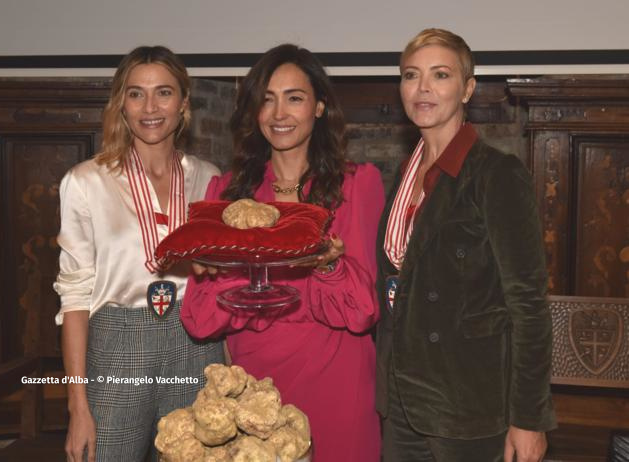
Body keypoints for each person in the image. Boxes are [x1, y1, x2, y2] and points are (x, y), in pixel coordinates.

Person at [180, 44, 383, 461]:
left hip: (338, 382)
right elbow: (200, 320)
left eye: (294, 98)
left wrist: (321, 270)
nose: (279, 114)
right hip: (255, 391)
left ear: (320, 106)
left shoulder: (357, 185)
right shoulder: (226, 193)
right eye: (267, 100)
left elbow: (361, 309)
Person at [375, 28, 556, 462]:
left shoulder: (496, 174)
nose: (422, 88)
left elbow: (529, 305)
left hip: (468, 402)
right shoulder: (404, 176)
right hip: (402, 400)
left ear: (467, 89)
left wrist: (528, 418)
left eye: (440, 75)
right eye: (410, 75)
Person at [53, 46, 224, 462]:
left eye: (163, 93)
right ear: (121, 104)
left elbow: (221, 283)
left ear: (184, 103)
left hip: (196, 343)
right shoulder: (85, 182)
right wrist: (78, 407)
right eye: (136, 94)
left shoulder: (210, 179)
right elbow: (75, 297)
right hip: (117, 345)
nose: (150, 107)